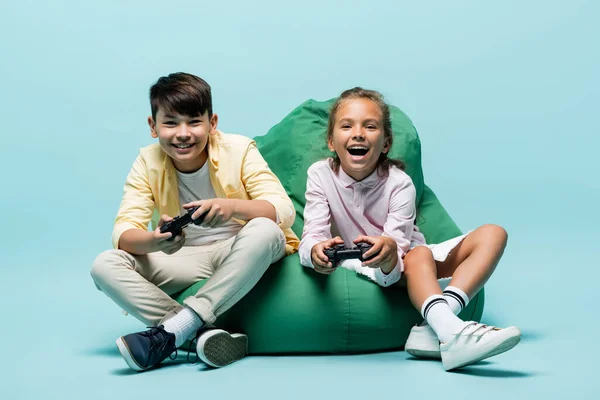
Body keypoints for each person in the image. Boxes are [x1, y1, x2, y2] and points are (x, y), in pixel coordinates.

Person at [298, 87, 521, 371]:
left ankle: (438, 325)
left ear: (386, 142)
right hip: (359, 263)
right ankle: (450, 330)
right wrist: (314, 252)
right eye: (346, 126)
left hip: (404, 260)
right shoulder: (319, 175)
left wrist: (390, 250)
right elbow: (311, 236)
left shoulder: (399, 183)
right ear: (331, 141)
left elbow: (399, 249)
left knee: (493, 233)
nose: (358, 134)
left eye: (370, 126)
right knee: (419, 256)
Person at [91, 72, 299, 372]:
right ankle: (200, 335)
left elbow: (282, 209)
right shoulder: (147, 162)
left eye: (194, 122)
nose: (183, 133)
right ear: (153, 127)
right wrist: (156, 240)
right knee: (104, 265)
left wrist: (231, 208)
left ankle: (175, 331)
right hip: (184, 257)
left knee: (266, 230)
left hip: (240, 249)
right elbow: (124, 232)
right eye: (171, 122)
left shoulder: (240, 149)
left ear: (212, 123)